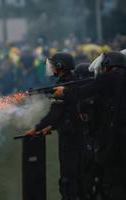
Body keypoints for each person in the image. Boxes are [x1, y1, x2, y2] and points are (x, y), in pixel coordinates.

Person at [54, 51, 126, 199]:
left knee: (114, 183)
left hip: (117, 141)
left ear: (108, 65)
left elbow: (85, 91)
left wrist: (65, 91)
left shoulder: (110, 77)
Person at [26, 52, 83, 200]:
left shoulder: (64, 85)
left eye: (53, 64)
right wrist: (51, 127)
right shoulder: (72, 81)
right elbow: (67, 111)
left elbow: (55, 113)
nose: (50, 67)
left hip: (69, 136)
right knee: (77, 175)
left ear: (60, 66)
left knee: (68, 178)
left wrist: (36, 128)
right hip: (76, 133)